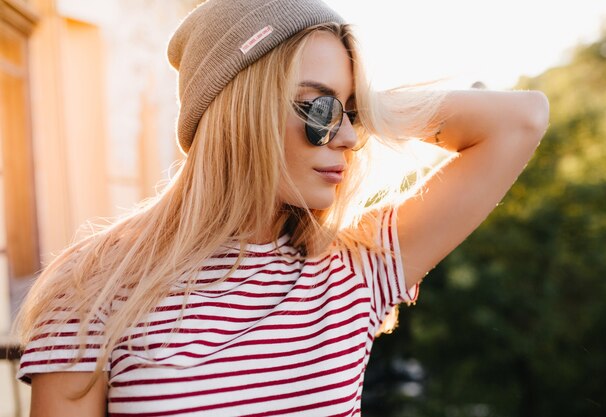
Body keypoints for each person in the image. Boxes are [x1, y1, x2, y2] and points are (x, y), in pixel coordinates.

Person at [13, 0, 550, 416]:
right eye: (319, 106)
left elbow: (521, 120)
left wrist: (371, 108)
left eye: (351, 113)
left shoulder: (353, 268)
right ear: (242, 108)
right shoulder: (92, 286)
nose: (346, 137)